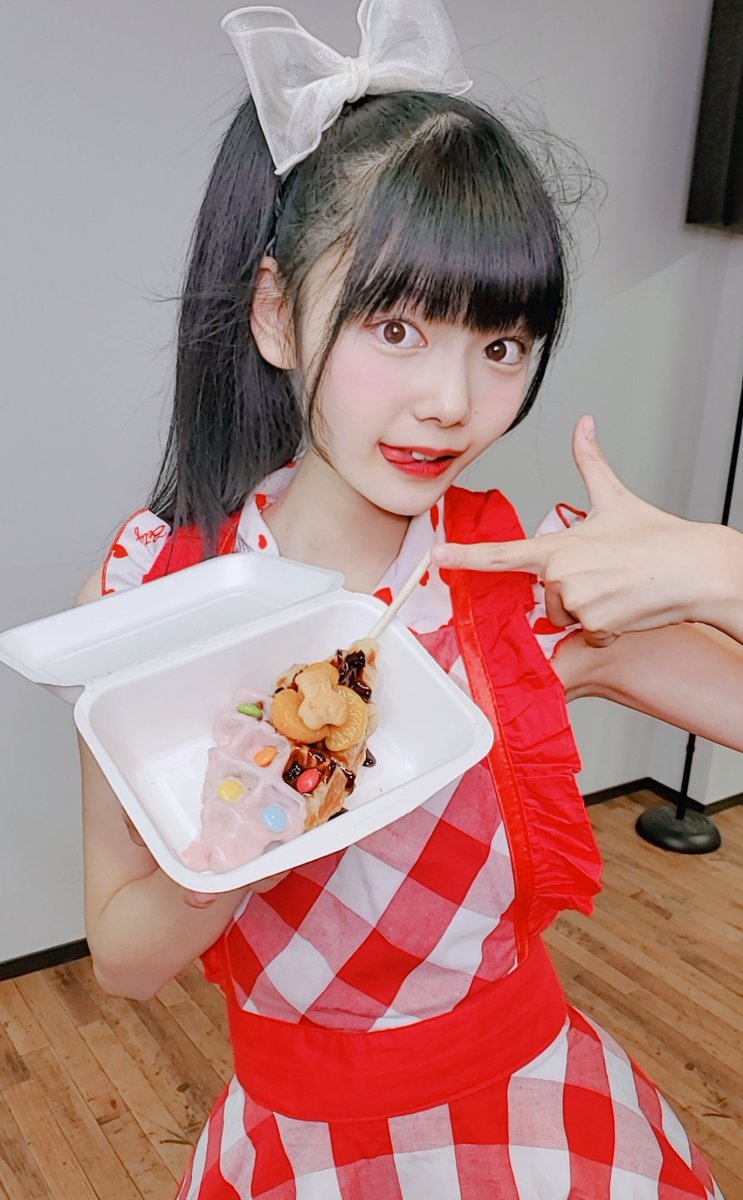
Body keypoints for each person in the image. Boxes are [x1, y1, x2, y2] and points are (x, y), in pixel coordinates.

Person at [75, 2, 743, 1196]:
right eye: (395, 327)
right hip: (296, 1144)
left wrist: (713, 569)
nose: (452, 401)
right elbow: (123, 960)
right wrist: (240, 840)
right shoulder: (149, 594)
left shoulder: (525, 585)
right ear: (275, 313)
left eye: (501, 345)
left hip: (531, 1120)